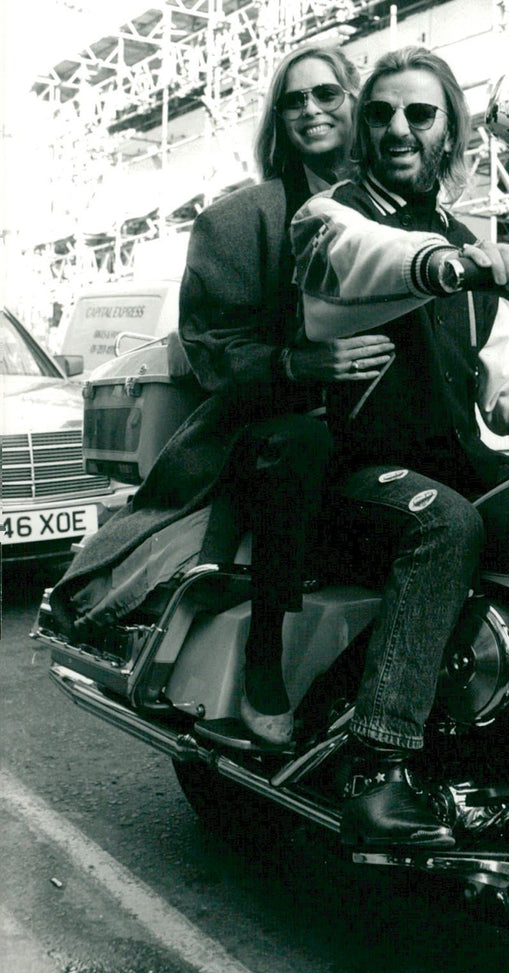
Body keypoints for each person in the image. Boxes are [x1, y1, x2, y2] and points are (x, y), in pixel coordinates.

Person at [50, 43, 394, 750]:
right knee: (299, 441)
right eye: (293, 100)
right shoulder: (238, 219)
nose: (311, 109)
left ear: (356, 103)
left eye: (326, 94)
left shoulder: (402, 207)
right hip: (268, 429)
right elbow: (212, 351)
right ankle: (265, 656)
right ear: (278, 121)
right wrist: (300, 363)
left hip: (387, 425)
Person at [289, 45, 509, 848]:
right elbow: (356, 260)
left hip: (452, 460)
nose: (399, 128)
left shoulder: (465, 235)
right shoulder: (329, 215)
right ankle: (377, 766)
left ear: (449, 132)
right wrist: (451, 263)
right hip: (356, 470)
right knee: (446, 522)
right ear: (361, 128)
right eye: (381, 113)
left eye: (419, 114)